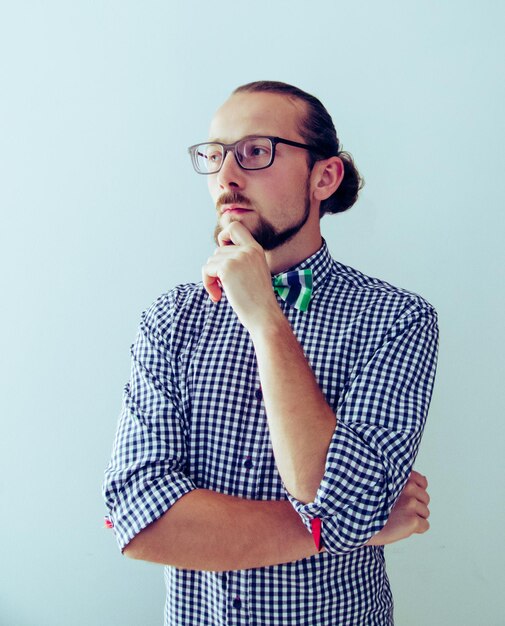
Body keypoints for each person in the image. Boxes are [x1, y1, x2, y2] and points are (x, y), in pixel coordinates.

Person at [103, 80, 438, 625]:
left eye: (255, 152)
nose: (226, 177)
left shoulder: (397, 320)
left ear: (323, 176)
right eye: (214, 156)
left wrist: (265, 319)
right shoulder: (170, 319)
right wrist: (342, 526)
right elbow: (138, 520)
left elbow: (335, 496)